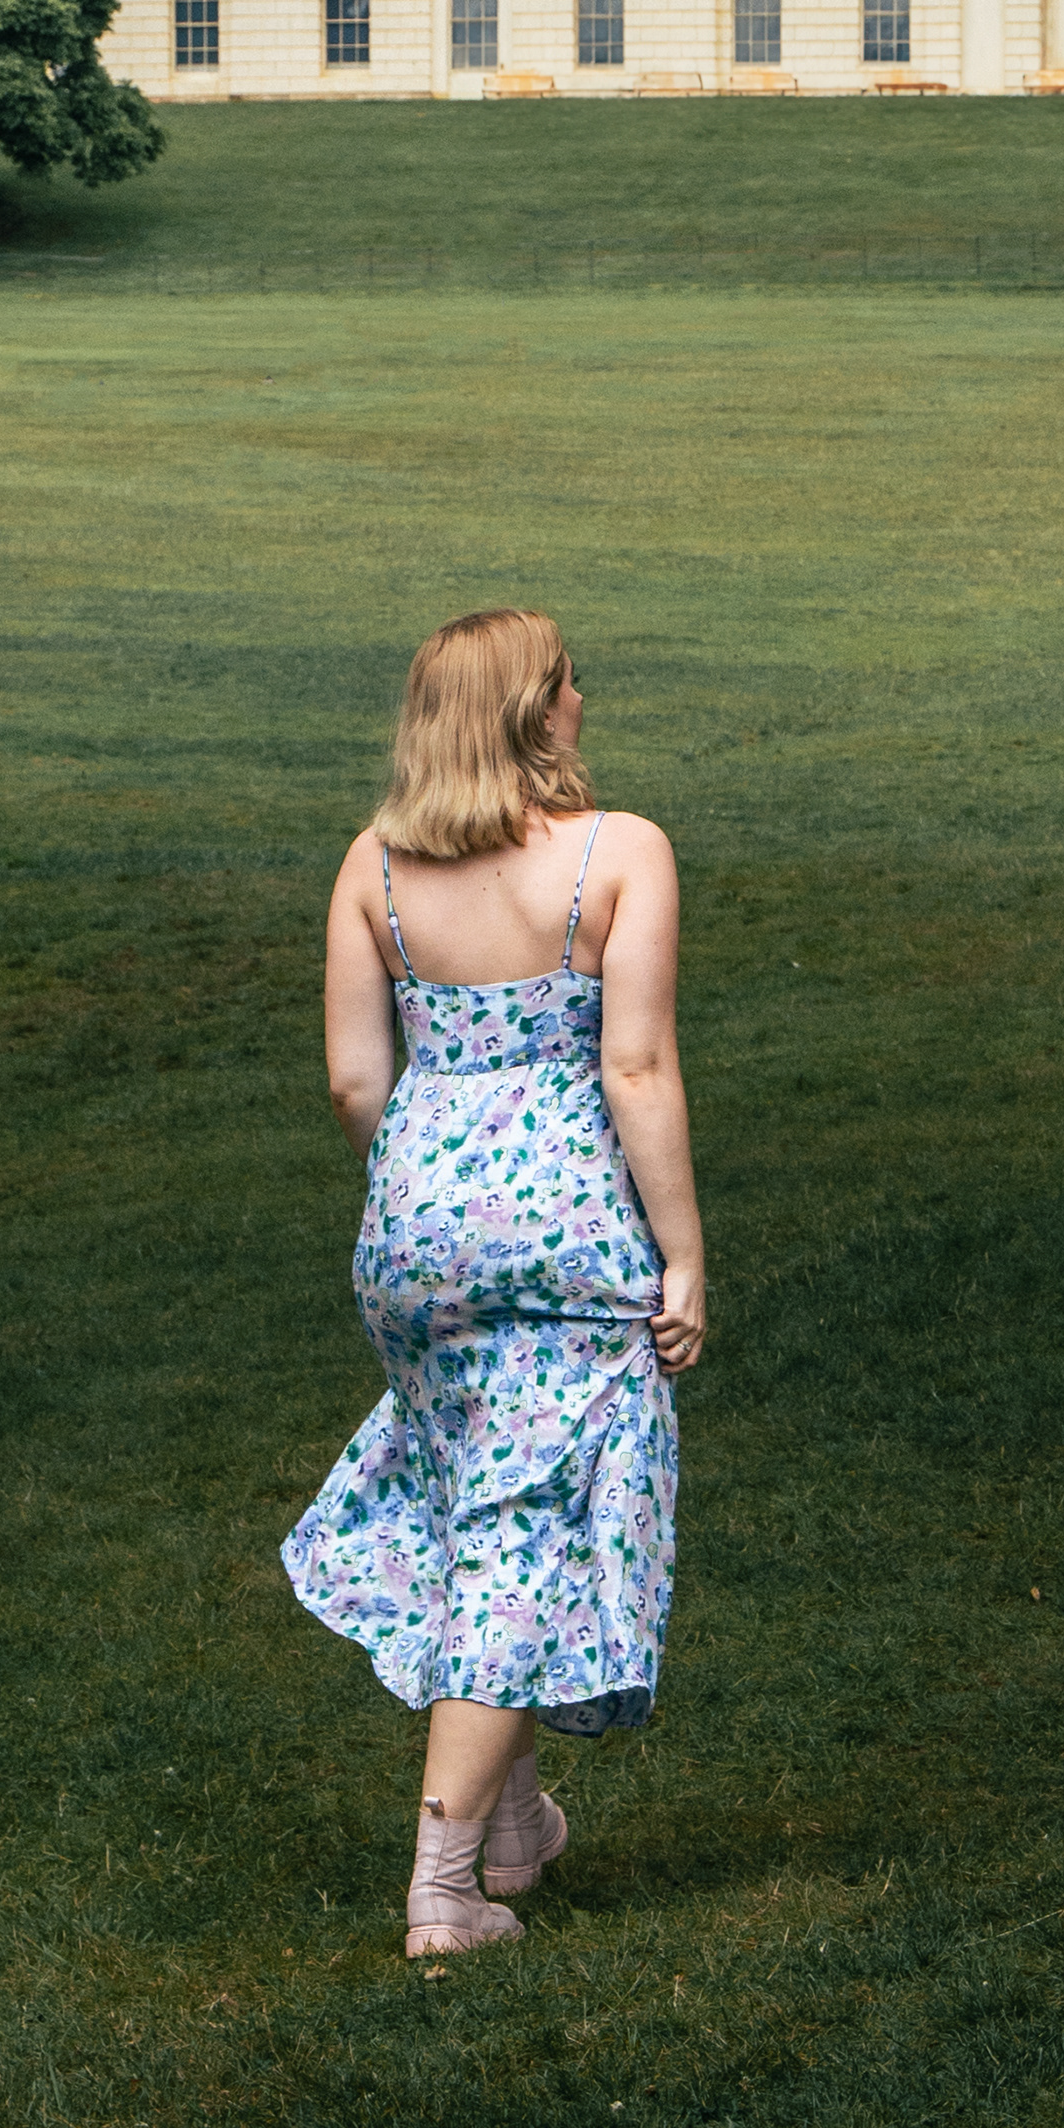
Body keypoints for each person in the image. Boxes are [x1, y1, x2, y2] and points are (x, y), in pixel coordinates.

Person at [280, 608, 706, 1960]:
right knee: (534, 1527)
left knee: (481, 1491)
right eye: (571, 679)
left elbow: (358, 1079)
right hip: (567, 1235)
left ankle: (516, 1829)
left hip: (413, 1234)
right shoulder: (619, 854)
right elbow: (634, 1070)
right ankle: (445, 1886)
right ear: (533, 714)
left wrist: (427, 1187)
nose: (586, 694)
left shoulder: (376, 865)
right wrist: (681, 1251)